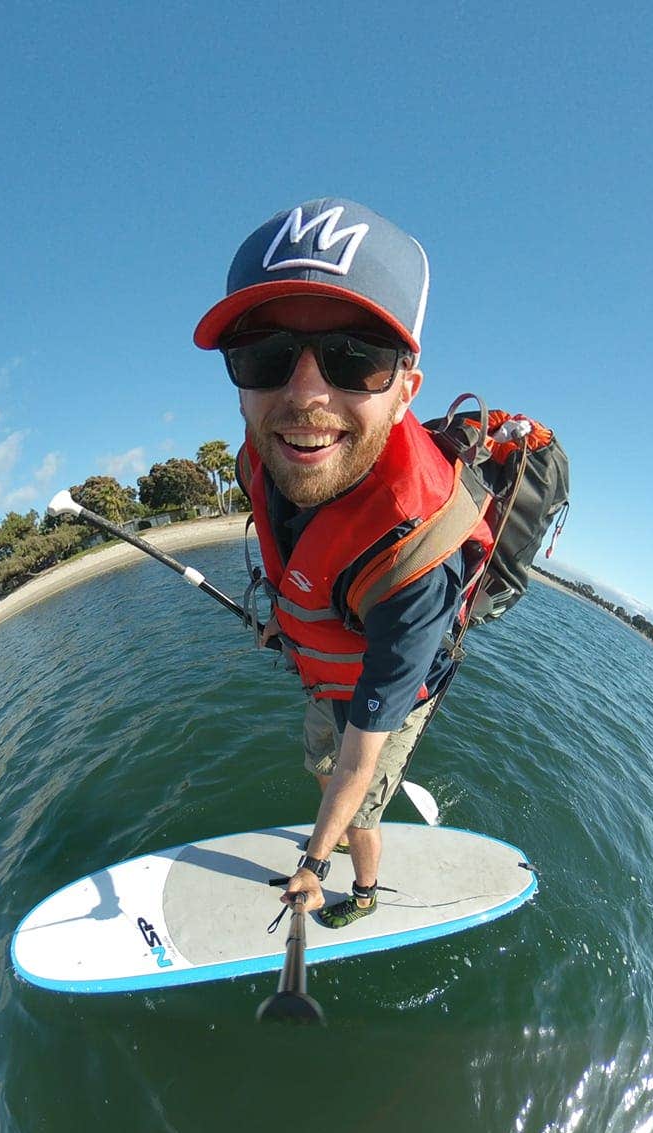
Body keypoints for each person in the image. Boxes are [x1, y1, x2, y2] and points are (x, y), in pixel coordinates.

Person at [194, 198, 494, 927]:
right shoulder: (261, 467)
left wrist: (311, 865)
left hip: (384, 704)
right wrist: (282, 628)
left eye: (356, 359)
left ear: (403, 394)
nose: (303, 394)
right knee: (324, 768)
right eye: (265, 355)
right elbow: (304, 567)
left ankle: (360, 893)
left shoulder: (416, 565)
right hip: (328, 676)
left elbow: (364, 754)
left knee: (353, 801)